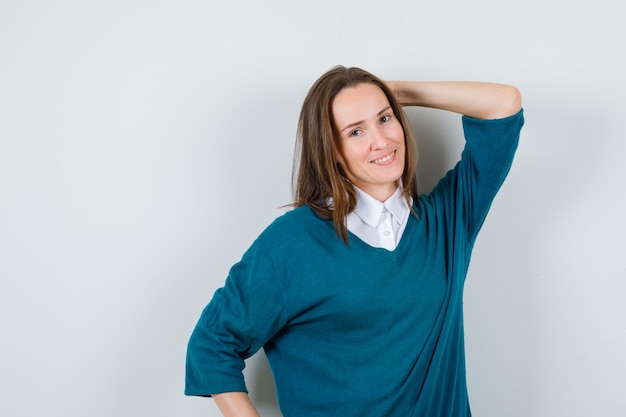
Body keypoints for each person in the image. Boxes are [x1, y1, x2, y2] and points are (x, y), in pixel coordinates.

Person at [185, 65, 524, 417]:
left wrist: (396, 91)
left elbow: (503, 104)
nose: (381, 141)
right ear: (331, 150)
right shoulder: (292, 243)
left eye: (385, 118)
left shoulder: (448, 218)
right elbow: (211, 347)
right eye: (356, 131)